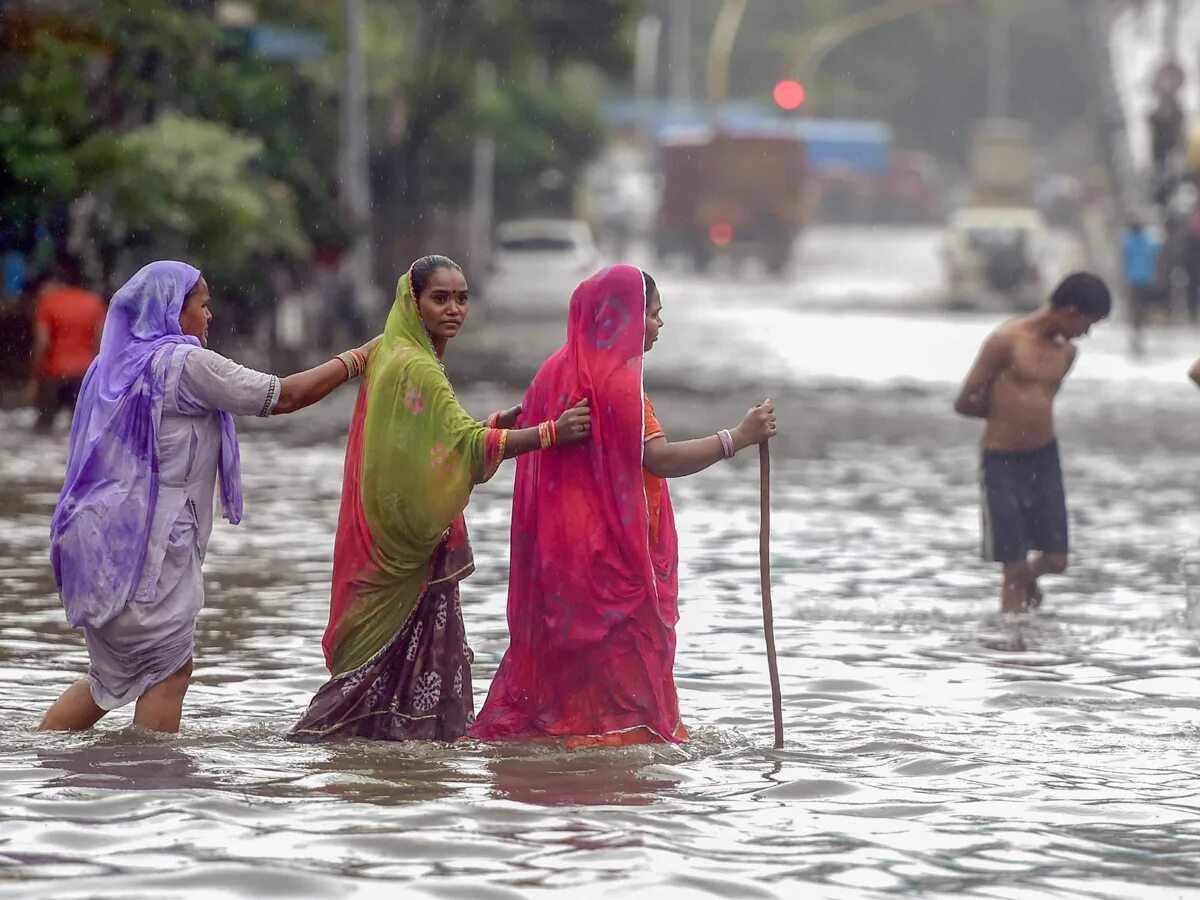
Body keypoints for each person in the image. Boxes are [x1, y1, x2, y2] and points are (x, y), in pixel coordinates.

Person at [39, 261, 378, 733]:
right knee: (170, 671)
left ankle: (43, 757)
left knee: (108, 679)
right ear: (172, 312)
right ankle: (153, 784)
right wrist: (360, 358)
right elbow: (284, 396)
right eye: (202, 305)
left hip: (101, 544)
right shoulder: (184, 364)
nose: (209, 316)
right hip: (152, 554)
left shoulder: (110, 366)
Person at [287, 255, 592, 743]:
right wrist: (551, 433)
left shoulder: (398, 352)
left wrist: (494, 425)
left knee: (379, 684)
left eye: (462, 298)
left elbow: (428, 445)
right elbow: (462, 445)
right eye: (440, 298)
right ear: (414, 302)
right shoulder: (418, 367)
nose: (454, 309)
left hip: (397, 545)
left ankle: (373, 750)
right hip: (405, 553)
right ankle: (338, 743)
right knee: (374, 681)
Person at [469, 265, 777, 747]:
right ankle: (611, 760)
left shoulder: (553, 371)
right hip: (609, 559)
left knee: (565, 680)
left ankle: (560, 753)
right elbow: (659, 459)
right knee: (626, 691)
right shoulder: (617, 384)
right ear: (625, 318)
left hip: (555, 554)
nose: (658, 325)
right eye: (652, 314)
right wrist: (737, 437)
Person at [953, 272, 1112, 614]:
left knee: (1056, 559)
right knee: (1012, 563)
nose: (1086, 333)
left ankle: (1028, 582)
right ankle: (1012, 652)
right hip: (1002, 460)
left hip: (1044, 456)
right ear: (1070, 311)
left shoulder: (1067, 354)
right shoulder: (1006, 341)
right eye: (1087, 323)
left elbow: (1041, 402)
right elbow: (965, 401)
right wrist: (1005, 417)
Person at [26, 258, 107, 433]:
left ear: (51, 284)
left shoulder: (48, 304)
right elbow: (102, 343)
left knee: (43, 430)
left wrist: (34, 378)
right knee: (84, 431)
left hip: (54, 375)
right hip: (85, 376)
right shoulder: (94, 302)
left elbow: (42, 344)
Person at [1121, 218, 1161, 350]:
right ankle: (1140, 322)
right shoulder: (1147, 241)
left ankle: (1136, 323)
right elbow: (1155, 254)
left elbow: (1125, 256)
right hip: (1145, 278)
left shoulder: (1128, 241)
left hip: (1133, 278)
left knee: (1135, 303)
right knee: (1142, 304)